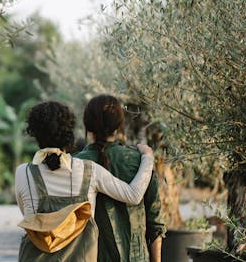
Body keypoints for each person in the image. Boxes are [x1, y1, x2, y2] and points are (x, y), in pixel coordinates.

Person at [14, 101, 155, 261]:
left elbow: (27, 214)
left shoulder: (23, 173)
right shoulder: (88, 170)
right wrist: (148, 158)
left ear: (34, 133)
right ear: (69, 132)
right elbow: (133, 195)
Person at [75, 94, 166, 262]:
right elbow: (155, 223)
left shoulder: (76, 164)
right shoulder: (140, 161)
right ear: (119, 124)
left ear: (88, 125)